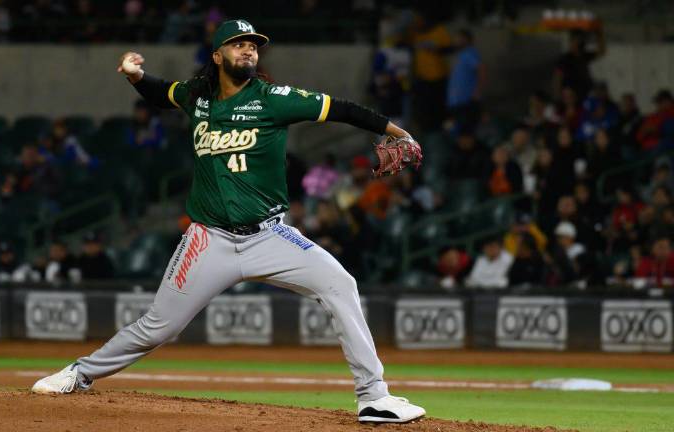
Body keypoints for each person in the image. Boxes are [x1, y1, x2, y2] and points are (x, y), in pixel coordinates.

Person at [31, 19, 426, 423]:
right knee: (160, 327)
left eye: (253, 45)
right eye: (238, 44)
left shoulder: (274, 98)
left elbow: (343, 109)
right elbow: (161, 93)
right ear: (218, 56)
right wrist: (136, 76)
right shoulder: (197, 96)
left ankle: (373, 397)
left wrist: (398, 132)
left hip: (271, 236)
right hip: (208, 240)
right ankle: (79, 373)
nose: (249, 49)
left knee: (340, 284)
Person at [446, 29, 484, 130]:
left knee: (466, 130)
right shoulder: (461, 55)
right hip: (457, 101)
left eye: (458, 38)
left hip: (466, 101)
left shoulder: (469, 54)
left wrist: (477, 92)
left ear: (465, 39)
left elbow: (481, 70)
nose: (455, 41)